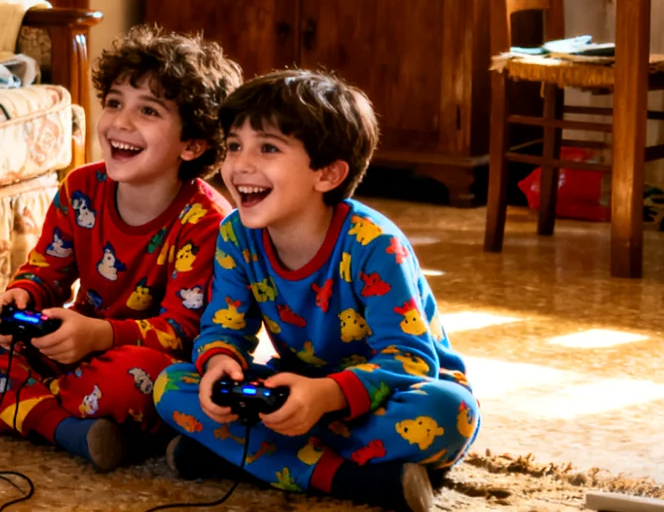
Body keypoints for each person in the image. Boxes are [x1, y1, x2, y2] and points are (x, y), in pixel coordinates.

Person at [154, 71, 478, 512]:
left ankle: (241, 457)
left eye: (267, 148)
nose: (239, 164)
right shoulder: (236, 234)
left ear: (327, 174)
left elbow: (411, 360)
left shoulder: (376, 245)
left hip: (389, 393)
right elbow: (223, 328)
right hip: (294, 388)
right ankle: (352, 478)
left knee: (450, 413)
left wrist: (327, 395)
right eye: (233, 146)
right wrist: (220, 364)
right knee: (172, 385)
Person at [0, 27, 240, 471]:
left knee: (141, 378)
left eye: (148, 110)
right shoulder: (82, 186)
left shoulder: (207, 221)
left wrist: (100, 335)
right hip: (66, 347)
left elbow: (182, 331)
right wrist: (21, 296)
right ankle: (57, 419)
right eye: (114, 102)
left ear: (193, 145)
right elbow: (45, 271)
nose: (121, 122)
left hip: (140, 364)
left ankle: (5, 403)